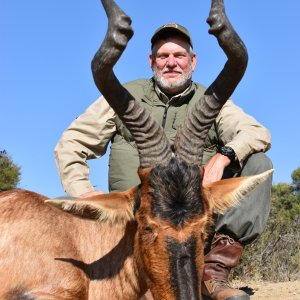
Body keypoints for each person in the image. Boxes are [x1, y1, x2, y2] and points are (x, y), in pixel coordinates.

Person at [55, 24, 272, 300]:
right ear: (151, 62)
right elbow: (70, 144)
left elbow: (257, 132)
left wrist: (223, 156)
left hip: (194, 223)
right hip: (135, 224)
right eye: (163, 56)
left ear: (193, 61)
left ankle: (213, 274)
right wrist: (82, 191)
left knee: (259, 163)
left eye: (179, 55)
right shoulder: (123, 96)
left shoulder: (211, 100)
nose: (171, 62)